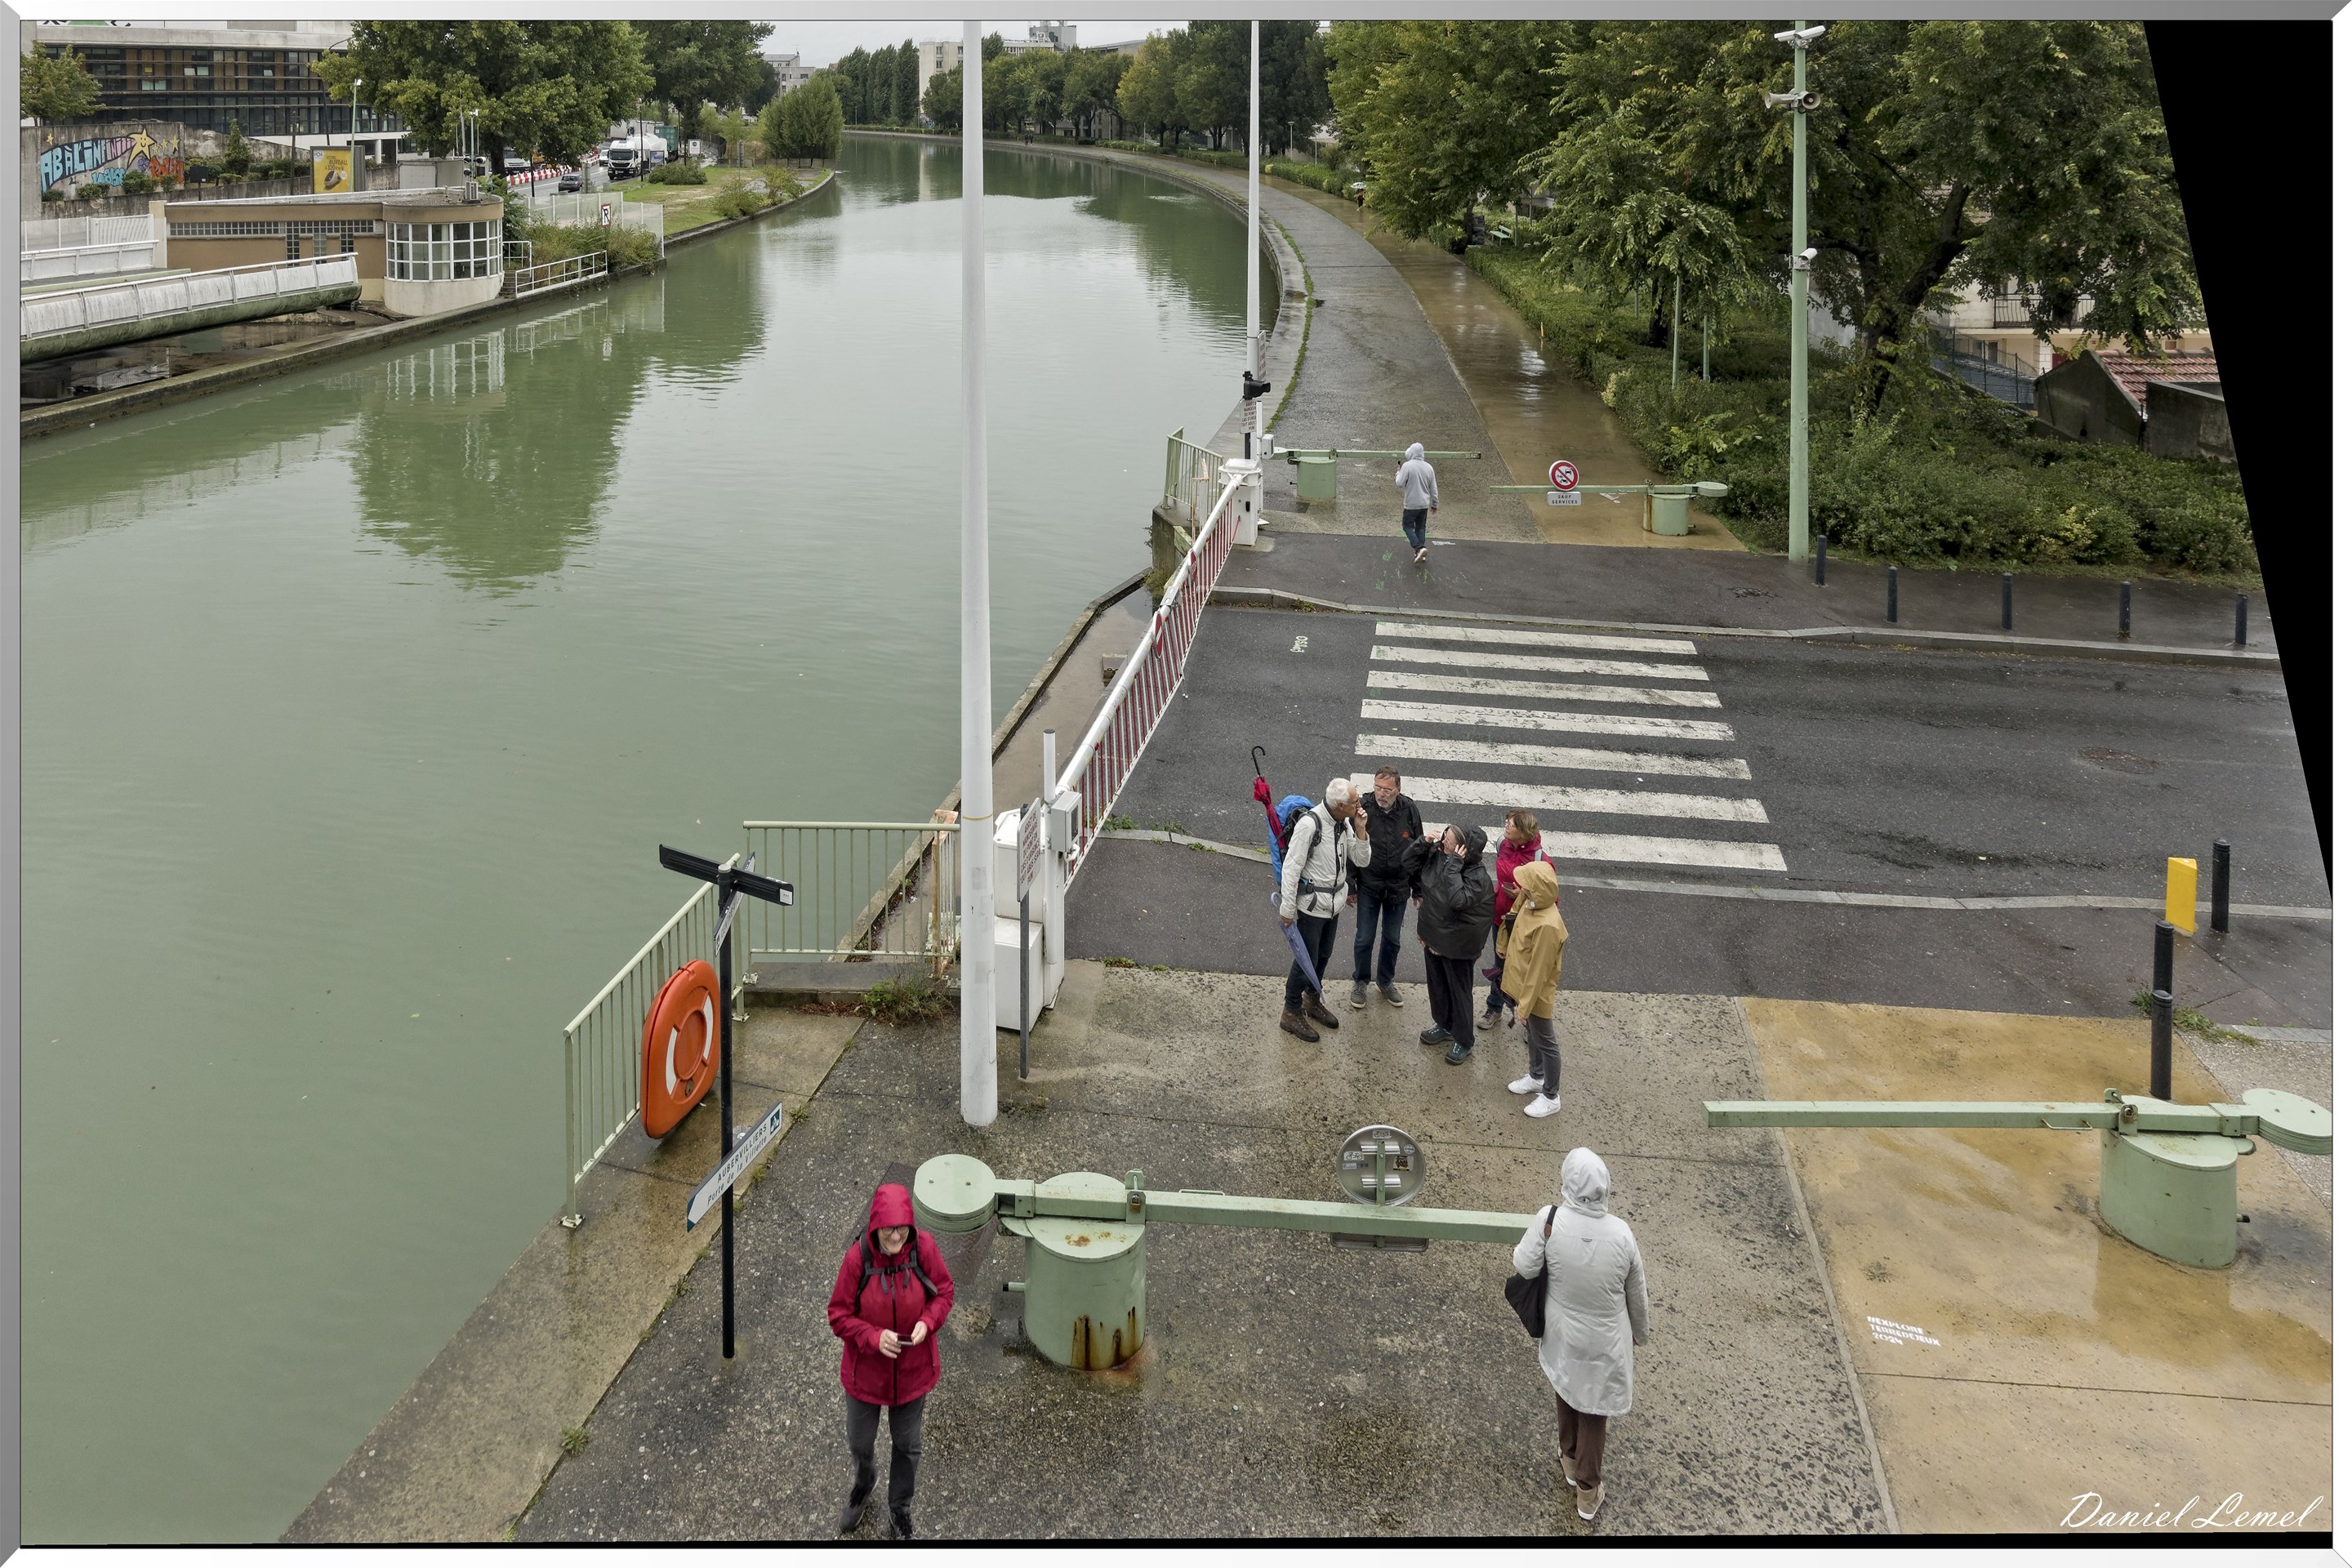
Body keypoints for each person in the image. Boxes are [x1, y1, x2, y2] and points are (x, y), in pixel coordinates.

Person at [1513, 1149, 1649, 1523]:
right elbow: (1636, 1292)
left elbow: (1524, 1265)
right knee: (1595, 1407)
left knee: (1567, 1387)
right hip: (1606, 1337)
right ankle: (1588, 1492)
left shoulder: (1551, 1219)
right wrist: (1640, 1332)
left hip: (1563, 1331)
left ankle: (1570, 1461)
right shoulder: (1621, 1233)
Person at [826, 1183, 956, 1539]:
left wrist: (927, 1323)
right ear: (875, 1227)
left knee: (907, 1444)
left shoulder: (924, 1249)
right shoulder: (857, 1260)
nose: (896, 1235)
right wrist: (872, 1337)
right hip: (866, 1373)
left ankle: (900, 1508)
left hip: (913, 1372)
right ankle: (864, 1482)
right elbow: (838, 1315)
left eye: (902, 1227)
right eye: (888, 1228)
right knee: (859, 1440)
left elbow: (944, 1293)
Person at [1278, 777, 1371, 1043]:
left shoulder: (1344, 823)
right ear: (1340, 804)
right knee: (1306, 959)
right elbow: (1293, 866)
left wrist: (1361, 829)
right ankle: (1291, 1010)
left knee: (1323, 955)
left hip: (1333, 904)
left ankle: (1311, 998)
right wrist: (1287, 908)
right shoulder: (1310, 825)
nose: (1359, 804)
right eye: (1354, 801)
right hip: (1312, 906)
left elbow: (1362, 859)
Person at [1401, 822, 1492, 1062]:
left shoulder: (1477, 876)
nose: (1443, 841)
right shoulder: (1439, 853)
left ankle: (1464, 1040)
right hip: (1434, 935)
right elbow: (1407, 864)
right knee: (1438, 986)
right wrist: (1423, 843)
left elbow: (1457, 900)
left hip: (1458, 945)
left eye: (1448, 840)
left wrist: (1454, 866)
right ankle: (1443, 1025)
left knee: (1459, 993)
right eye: (1444, 836)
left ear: (1463, 850)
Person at [1348, 766, 1423, 1009]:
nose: (1381, 793)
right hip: (1369, 885)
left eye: (1387, 790)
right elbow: (1350, 847)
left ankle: (1385, 981)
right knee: (1364, 938)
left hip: (1398, 888)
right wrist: (1351, 885)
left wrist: (1418, 889)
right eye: (1378, 788)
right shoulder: (1363, 808)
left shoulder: (1409, 810)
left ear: (1398, 790)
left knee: (1392, 940)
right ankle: (1360, 981)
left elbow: (1418, 850)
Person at [1498, 858, 1566, 1117]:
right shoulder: (1530, 902)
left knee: (1546, 1041)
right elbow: (1513, 919)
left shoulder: (1548, 925)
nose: (1520, 886)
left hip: (1536, 992)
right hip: (1525, 985)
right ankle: (1537, 1076)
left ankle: (1551, 1095)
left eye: (1526, 884)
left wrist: (1524, 1007)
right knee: (1536, 1037)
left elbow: (1539, 971)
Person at [1481, 809, 1552, 1032]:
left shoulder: (1541, 860)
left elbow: (1550, 900)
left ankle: (1529, 1018)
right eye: (1506, 822)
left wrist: (1523, 894)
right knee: (1500, 965)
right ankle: (1495, 1008)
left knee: (1525, 969)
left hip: (1525, 924)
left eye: (1510, 824)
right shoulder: (1503, 844)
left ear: (1523, 832)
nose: (1506, 826)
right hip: (1500, 919)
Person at [1395, 442, 1439, 563]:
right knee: (1420, 528)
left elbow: (1399, 483)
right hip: (1424, 504)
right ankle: (1420, 554)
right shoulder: (1429, 467)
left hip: (1411, 504)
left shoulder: (1408, 466)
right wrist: (1435, 504)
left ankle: (1419, 548)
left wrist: (1398, 472)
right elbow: (1433, 488)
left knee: (1407, 526)